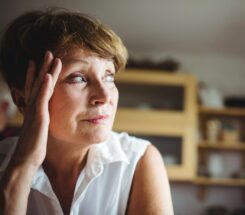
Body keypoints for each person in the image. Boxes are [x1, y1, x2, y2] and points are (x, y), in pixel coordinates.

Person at [0, 8, 174, 215]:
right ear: (22, 100)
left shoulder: (139, 160)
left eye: (109, 76)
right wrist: (23, 166)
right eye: (79, 78)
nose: (104, 95)